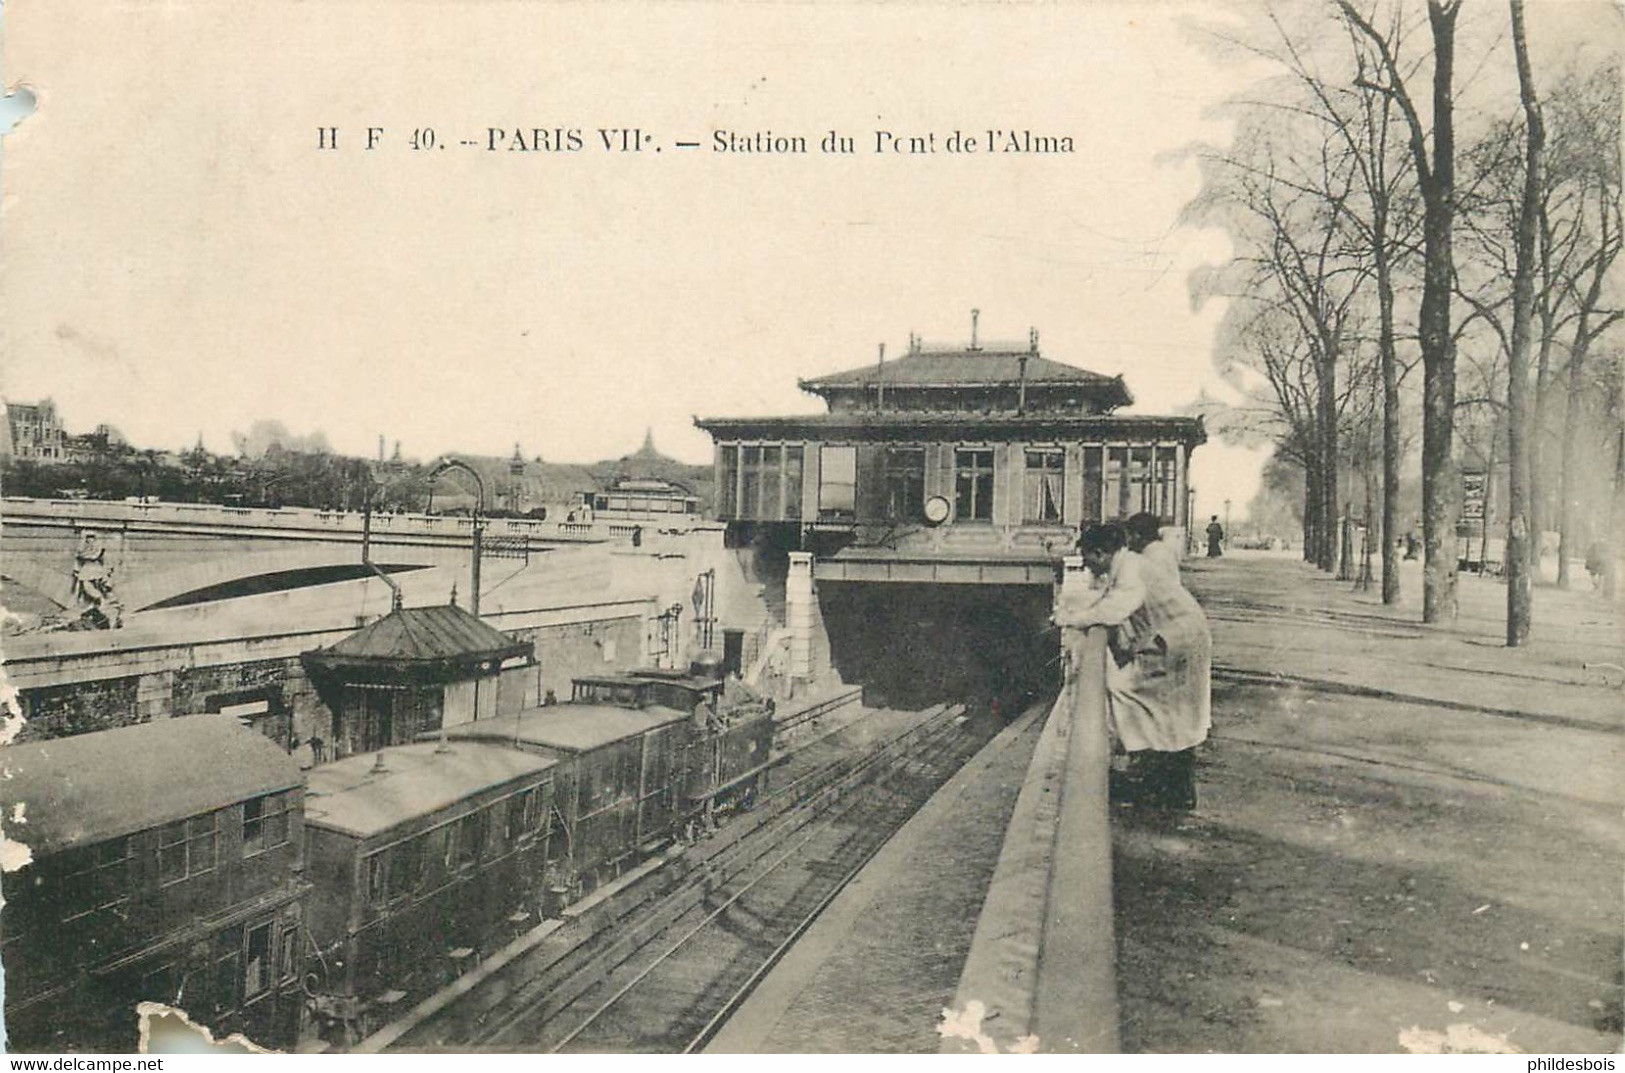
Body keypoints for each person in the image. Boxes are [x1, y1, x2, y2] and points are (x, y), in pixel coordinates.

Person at [1054, 522, 1212, 811]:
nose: (1088, 566)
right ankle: (1167, 784)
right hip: (1177, 638)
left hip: (1177, 643)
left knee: (1131, 693)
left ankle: (1162, 784)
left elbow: (1114, 609)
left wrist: (1070, 619)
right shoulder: (1129, 563)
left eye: (1088, 558)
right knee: (1169, 714)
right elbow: (1109, 601)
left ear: (1100, 554)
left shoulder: (1130, 569)